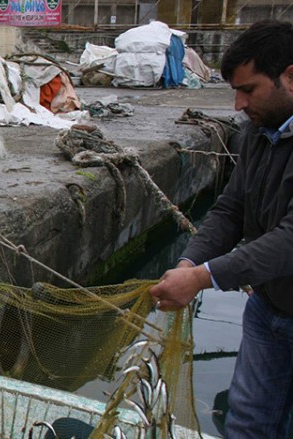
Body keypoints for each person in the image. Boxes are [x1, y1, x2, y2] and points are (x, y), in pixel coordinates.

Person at [149, 19, 293, 438]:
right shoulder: (254, 135)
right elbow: (230, 210)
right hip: (269, 309)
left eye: (248, 90)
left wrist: (203, 277)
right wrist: (187, 263)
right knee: (247, 423)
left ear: (289, 75)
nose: (237, 104)